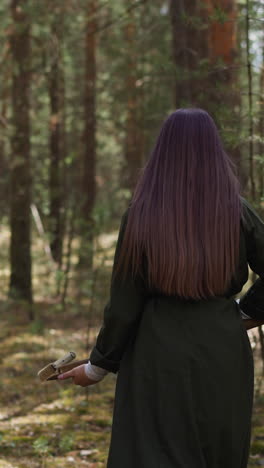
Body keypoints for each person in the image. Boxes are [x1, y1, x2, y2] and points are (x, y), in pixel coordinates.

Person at [59, 108, 264, 468]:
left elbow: (124, 305)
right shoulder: (237, 211)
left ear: (162, 154)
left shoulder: (141, 214)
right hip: (223, 354)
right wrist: (246, 312)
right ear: (214, 152)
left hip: (157, 357)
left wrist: (98, 366)